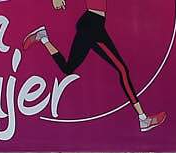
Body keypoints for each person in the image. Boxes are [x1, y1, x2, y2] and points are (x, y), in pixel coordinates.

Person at [25, 0, 166, 133]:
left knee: (68, 68)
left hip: (90, 24)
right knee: (122, 70)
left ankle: (43, 38)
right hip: (92, 25)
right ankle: (143, 119)